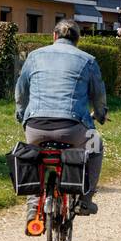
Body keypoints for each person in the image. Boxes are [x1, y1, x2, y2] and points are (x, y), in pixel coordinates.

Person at [15, 19, 107, 216]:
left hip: (36, 127)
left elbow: (21, 91)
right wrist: (100, 115)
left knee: (34, 155)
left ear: (54, 36)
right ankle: (85, 199)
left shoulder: (34, 56)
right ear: (77, 40)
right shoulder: (88, 60)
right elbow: (98, 95)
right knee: (96, 145)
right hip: (72, 128)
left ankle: (33, 204)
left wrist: (22, 114)